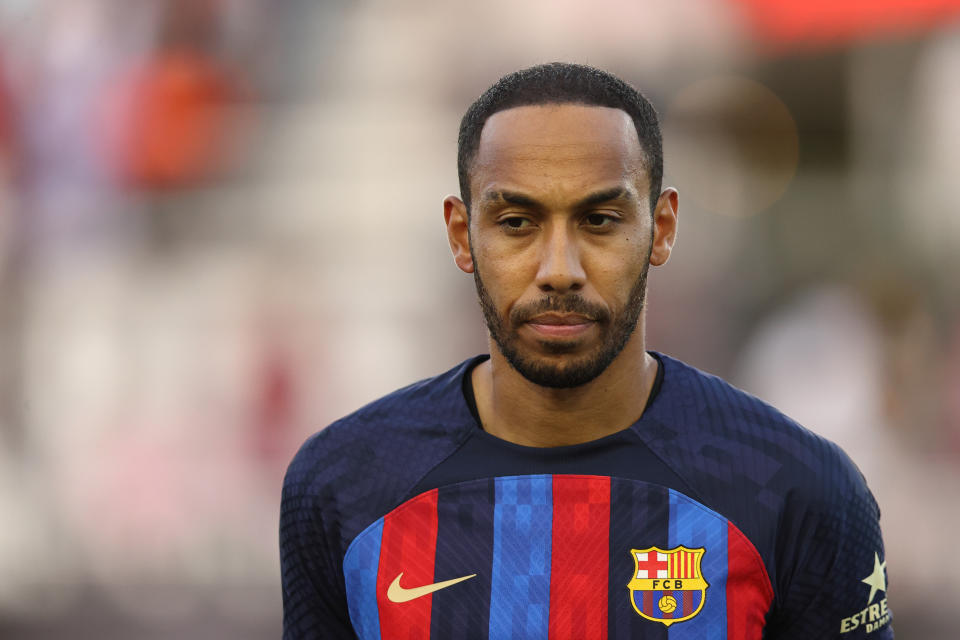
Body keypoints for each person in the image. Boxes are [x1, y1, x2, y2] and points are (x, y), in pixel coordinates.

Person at [280, 63, 892, 639]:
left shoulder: (799, 489)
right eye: (517, 221)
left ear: (663, 228)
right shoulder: (341, 485)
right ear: (462, 236)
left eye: (599, 219)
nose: (559, 270)